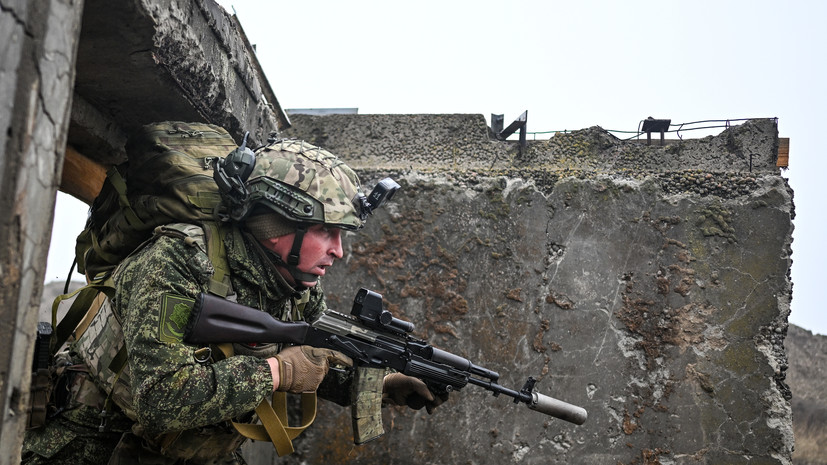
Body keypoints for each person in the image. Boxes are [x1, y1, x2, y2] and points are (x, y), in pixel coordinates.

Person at [22, 139, 445, 465]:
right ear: (277, 222)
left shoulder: (294, 285)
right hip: (96, 445)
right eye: (326, 232)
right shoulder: (177, 261)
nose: (338, 251)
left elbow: (314, 363)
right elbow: (162, 402)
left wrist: (383, 384)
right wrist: (277, 371)